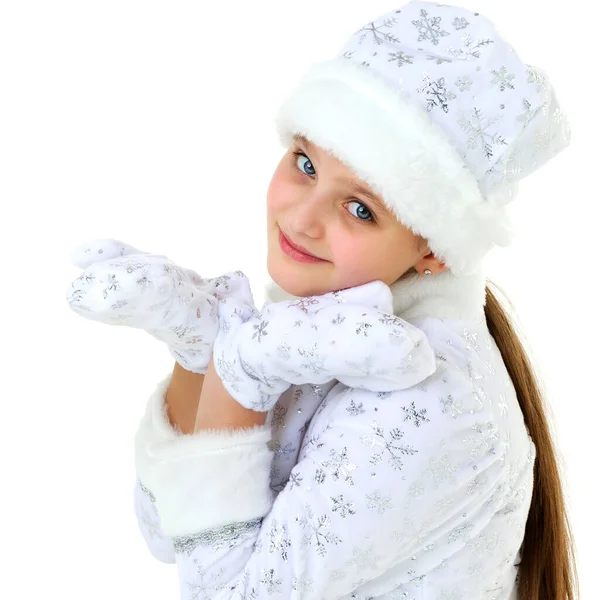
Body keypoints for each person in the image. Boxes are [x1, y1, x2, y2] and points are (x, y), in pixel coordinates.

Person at [66, 2, 578, 598]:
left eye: (360, 208)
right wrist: (199, 353)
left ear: (435, 249)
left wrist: (237, 375)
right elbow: (168, 532)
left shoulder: (430, 400)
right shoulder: (329, 329)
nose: (302, 219)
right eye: (305, 164)